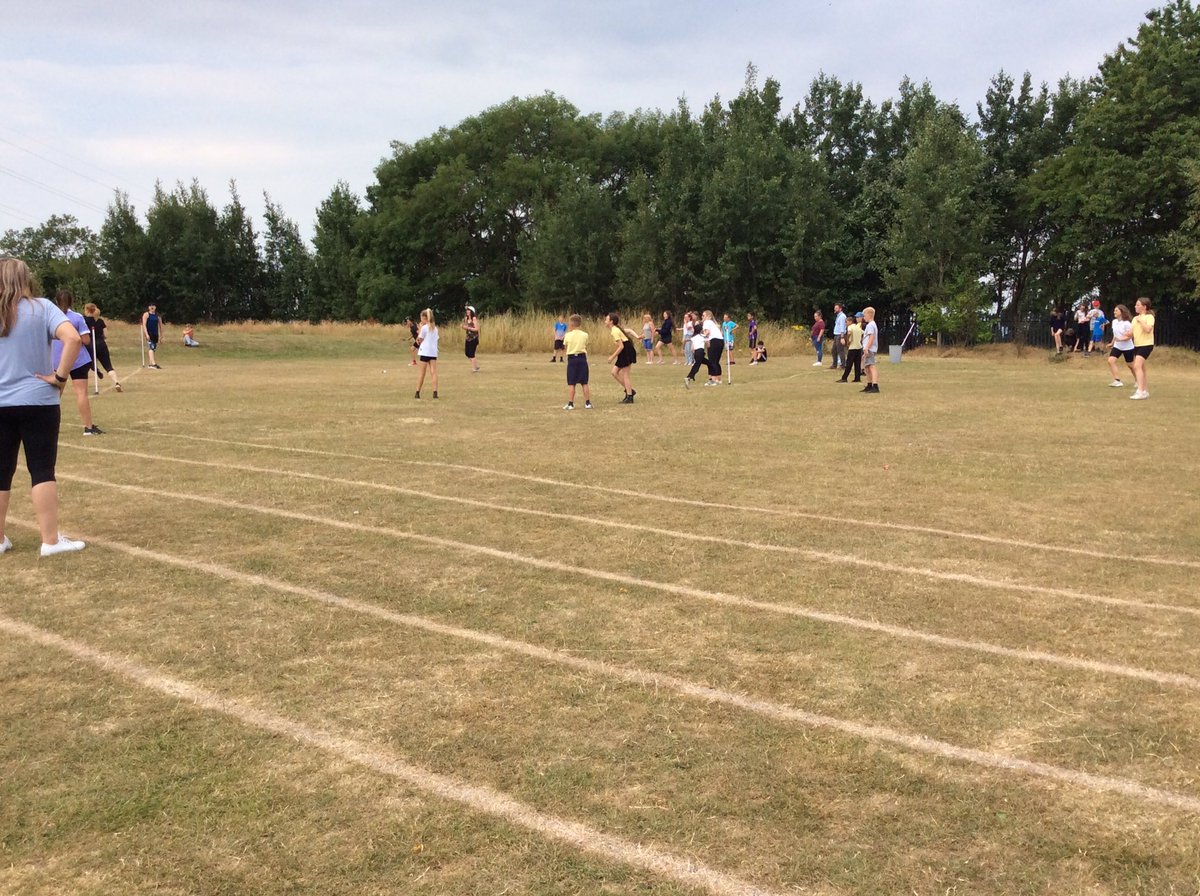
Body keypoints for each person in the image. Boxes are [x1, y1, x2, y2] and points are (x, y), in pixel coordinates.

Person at [0, 257, 86, 556]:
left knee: (1, 472)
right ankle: (50, 540)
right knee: (42, 470)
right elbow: (73, 338)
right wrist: (60, 377)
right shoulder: (42, 308)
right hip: (39, 400)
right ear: (27, 278)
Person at [54, 290, 102, 435]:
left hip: (57, 360)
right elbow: (86, 340)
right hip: (77, 359)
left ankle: (47, 427)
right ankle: (88, 427)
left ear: (56, 301)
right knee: (81, 393)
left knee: (54, 395)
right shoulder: (76, 317)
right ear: (71, 302)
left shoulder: (50, 317)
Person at [82, 302, 122, 391]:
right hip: (101, 344)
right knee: (108, 366)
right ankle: (116, 382)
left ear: (87, 310)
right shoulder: (100, 321)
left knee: (86, 365)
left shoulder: (83, 320)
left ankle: (95, 369)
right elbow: (105, 335)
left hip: (89, 345)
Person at [562, 314, 592, 410]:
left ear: (571, 323)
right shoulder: (585, 335)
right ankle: (587, 403)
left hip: (572, 359)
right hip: (582, 358)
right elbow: (586, 344)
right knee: (584, 382)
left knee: (571, 382)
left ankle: (570, 403)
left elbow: (566, 346)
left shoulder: (567, 335)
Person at [605, 312, 636, 403]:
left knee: (625, 374)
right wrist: (638, 337)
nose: (605, 321)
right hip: (624, 351)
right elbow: (629, 331)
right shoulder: (615, 329)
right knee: (614, 372)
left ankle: (629, 397)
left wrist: (612, 357)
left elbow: (621, 346)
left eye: (606, 320)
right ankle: (630, 390)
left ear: (611, 321)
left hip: (626, 351)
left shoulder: (615, 330)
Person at [1130, 296, 1155, 400]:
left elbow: (1148, 329)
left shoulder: (1149, 317)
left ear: (1144, 307)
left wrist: (1141, 321)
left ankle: (1140, 391)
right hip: (1137, 345)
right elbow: (1132, 333)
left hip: (1146, 344)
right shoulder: (1134, 319)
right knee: (1142, 368)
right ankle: (1145, 391)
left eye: (1138, 305)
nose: (1135, 306)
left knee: (1136, 366)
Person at [1106, 304, 1136, 389]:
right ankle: (1117, 381)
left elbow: (1130, 336)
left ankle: (1138, 380)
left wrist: (1121, 339)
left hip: (1128, 347)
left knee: (1130, 365)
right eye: (1114, 310)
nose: (1114, 312)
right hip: (1117, 346)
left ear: (1121, 312)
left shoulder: (1127, 323)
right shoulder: (1114, 322)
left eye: (1116, 310)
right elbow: (1115, 335)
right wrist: (1112, 343)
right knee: (1111, 361)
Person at [414, 308, 439, 399]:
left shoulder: (424, 328)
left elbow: (418, 341)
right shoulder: (435, 328)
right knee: (433, 372)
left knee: (422, 373)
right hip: (433, 352)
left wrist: (420, 329)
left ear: (424, 318)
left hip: (425, 352)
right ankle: (435, 392)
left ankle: (417, 392)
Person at [839, 312, 864, 383]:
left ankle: (844, 378)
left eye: (846, 322)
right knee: (857, 364)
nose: (845, 323)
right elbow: (863, 333)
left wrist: (848, 341)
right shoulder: (857, 327)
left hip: (852, 347)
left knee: (849, 364)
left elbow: (849, 333)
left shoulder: (850, 327)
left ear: (850, 321)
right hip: (859, 347)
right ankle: (857, 378)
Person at [702, 310, 724, 386]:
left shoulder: (707, 322)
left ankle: (713, 380)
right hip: (720, 341)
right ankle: (718, 379)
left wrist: (702, 337)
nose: (702, 317)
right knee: (716, 361)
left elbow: (707, 333)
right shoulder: (714, 324)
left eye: (703, 315)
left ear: (708, 316)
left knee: (712, 361)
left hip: (714, 341)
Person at [684, 319, 708, 387]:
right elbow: (708, 344)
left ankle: (691, 376)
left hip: (696, 353)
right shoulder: (702, 336)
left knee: (708, 364)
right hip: (700, 352)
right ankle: (689, 377)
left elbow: (692, 349)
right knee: (697, 366)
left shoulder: (694, 337)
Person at [861, 306, 879, 393]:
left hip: (870, 349)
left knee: (871, 366)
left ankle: (875, 386)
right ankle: (869, 384)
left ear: (869, 314)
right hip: (867, 348)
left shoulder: (871, 325)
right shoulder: (870, 325)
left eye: (864, 315)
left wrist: (867, 348)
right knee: (867, 367)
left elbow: (872, 337)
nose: (864, 317)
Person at [141, 302, 163, 368]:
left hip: (155, 334)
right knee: (151, 347)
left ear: (155, 307)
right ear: (148, 307)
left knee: (153, 348)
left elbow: (161, 326)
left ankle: (150, 364)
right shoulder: (146, 314)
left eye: (153, 306)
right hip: (149, 333)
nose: (152, 307)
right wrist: (146, 334)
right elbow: (144, 325)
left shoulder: (157, 316)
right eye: (150, 306)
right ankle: (153, 363)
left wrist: (161, 335)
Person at [462, 305, 480, 372]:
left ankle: (474, 368)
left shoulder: (474, 319)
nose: (467, 311)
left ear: (472, 311)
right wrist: (463, 327)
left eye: (469, 310)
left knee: (472, 353)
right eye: (467, 310)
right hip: (468, 338)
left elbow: (477, 328)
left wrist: (469, 328)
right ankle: (475, 365)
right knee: (467, 353)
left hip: (474, 338)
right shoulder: (466, 319)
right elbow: (464, 326)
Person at [830, 303, 847, 369]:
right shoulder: (838, 316)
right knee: (833, 350)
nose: (835, 309)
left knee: (840, 350)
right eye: (835, 308)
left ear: (840, 309)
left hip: (840, 335)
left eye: (836, 308)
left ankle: (843, 365)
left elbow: (842, 327)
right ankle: (834, 364)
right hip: (836, 335)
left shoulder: (842, 316)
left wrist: (842, 337)